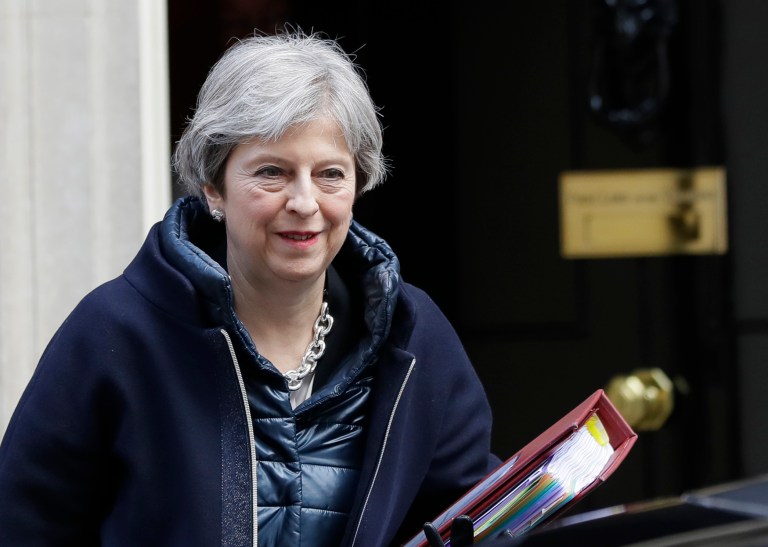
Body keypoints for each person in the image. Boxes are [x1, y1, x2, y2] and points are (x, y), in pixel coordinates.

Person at [0, 28, 499, 546]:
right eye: (272, 172)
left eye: (330, 174)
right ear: (213, 187)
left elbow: (471, 518)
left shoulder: (415, 338)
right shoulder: (113, 335)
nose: (305, 201)